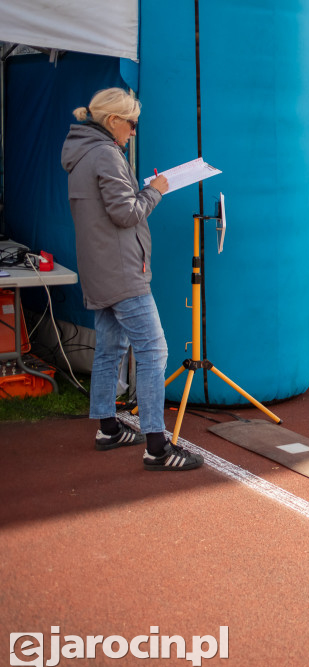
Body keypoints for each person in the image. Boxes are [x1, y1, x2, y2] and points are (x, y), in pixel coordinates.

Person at [61, 88, 204, 472]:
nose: (134, 131)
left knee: (111, 347)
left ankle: (108, 427)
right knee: (153, 351)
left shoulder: (81, 152)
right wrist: (154, 191)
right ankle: (158, 447)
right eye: (132, 123)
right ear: (113, 122)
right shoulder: (106, 153)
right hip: (122, 270)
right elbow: (126, 214)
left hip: (99, 267)